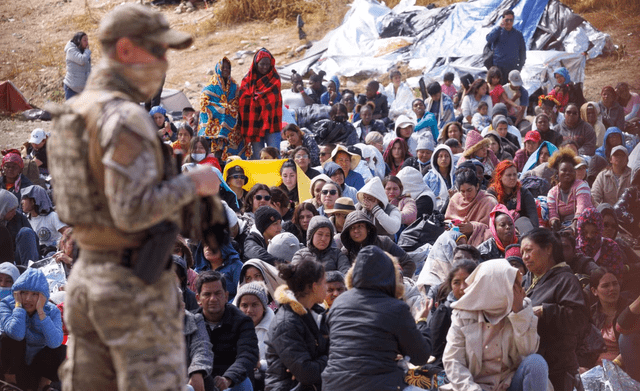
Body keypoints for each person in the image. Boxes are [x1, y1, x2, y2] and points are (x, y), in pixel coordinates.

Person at [47, 6, 229, 389]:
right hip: (132, 287)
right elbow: (131, 210)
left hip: (88, 277)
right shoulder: (125, 118)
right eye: (158, 51)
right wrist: (193, 183)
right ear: (126, 50)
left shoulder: (73, 112)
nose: (164, 62)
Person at [322, 245, 433, 391]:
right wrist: (421, 322)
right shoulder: (396, 308)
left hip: (333, 385)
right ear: (391, 275)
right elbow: (420, 357)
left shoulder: (339, 304)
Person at [442, 259, 548, 391]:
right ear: (492, 288)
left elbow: (529, 351)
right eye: (510, 284)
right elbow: (453, 361)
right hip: (476, 386)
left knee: (536, 363)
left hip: (509, 383)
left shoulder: (522, 307)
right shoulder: (463, 315)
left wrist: (519, 314)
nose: (516, 289)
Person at [521, 228, 588, 391]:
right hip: (528, 363)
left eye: (529, 250)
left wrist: (545, 310)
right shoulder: (524, 281)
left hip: (557, 369)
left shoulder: (566, 280)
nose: (524, 257)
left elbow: (579, 319)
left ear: (548, 249)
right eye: (522, 252)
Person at [265, 258, 329, 391]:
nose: (327, 288)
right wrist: (332, 360)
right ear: (313, 287)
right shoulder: (286, 323)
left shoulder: (318, 313)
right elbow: (307, 373)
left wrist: (319, 361)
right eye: (324, 283)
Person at [0, 268, 65, 390]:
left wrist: (41, 313)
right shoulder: (6, 304)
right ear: (17, 293)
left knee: (59, 347)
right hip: (14, 364)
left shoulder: (51, 310)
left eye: (34, 294)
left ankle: (44, 387)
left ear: (43, 296)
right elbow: (16, 334)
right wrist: (18, 307)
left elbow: (55, 342)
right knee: (7, 338)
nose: (28, 299)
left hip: (37, 363)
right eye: (24, 293)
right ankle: (10, 385)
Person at [194, 271, 259, 391]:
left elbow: (247, 355)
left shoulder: (242, 321)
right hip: (202, 384)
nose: (213, 299)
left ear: (226, 296)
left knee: (244, 383)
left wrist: (228, 379)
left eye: (218, 293)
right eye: (207, 294)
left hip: (234, 384)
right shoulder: (191, 323)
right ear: (198, 298)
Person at [426, 260, 476, 370]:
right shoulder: (445, 312)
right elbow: (436, 355)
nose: (462, 287)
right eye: (456, 283)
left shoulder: (485, 309)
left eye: (467, 281)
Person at [238, 48, 282, 159]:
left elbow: (274, 103)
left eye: (268, 64)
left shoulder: (275, 79)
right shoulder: (247, 81)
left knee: (275, 156)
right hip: (254, 126)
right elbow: (243, 102)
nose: (265, 67)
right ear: (256, 64)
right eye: (262, 64)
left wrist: (257, 100)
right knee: (258, 157)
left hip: (272, 124)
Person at [340, 210, 415, 276]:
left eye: (360, 226)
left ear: (368, 228)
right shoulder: (346, 251)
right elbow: (345, 275)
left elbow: (409, 263)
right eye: (352, 228)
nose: (356, 231)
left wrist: (398, 284)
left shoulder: (384, 242)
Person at [199, 57, 242, 160]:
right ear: (218, 69)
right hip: (212, 130)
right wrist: (224, 108)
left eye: (228, 67)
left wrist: (229, 109)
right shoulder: (210, 87)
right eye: (223, 67)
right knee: (214, 159)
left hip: (231, 131)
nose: (226, 70)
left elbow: (237, 104)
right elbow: (204, 103)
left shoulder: (234, 86)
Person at [234, 281, 275, 390]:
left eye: (255, 305)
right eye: (244, 305)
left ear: (264, 307)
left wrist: (259, 365)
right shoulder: (232, 328)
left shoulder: (276, 328)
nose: (249, 310)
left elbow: (280, 362)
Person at [445, 168, 498, 246]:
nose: (466, 194)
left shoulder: (489, 202)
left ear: (477, 186)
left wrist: (473, 227)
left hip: (480, 243)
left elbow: (493, 228)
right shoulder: (455, 199)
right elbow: (447, 220)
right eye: (462, 191)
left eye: (469, 190)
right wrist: (454, 225)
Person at [546, 146, 593, 231]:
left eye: (571, 170)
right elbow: (552, 213)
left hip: (585, 225)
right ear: (557, 173)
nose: (567, 173)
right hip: (564, 227)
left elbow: (582, 207)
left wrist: (574, 225)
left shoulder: (582, 186)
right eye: (564, 170)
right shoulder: (552, 193)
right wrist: (555, 222)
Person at [575, 207, 626, 280]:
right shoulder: (575, 247)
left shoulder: (611, 246)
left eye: (593, 232)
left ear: (599, 230)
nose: (589, 236)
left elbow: (618, 274)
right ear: (580, 231)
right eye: (585, 232)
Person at [488, 160, 539, 231]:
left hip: (521, 229)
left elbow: (533, 215)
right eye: (509, 175)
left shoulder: (523, 192)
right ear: (500, 177)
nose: (512, 178)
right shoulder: (492, 193)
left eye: (514, 174)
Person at [20, 185, 69, 249]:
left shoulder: (52, 216)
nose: (22, 202)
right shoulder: (27, 220)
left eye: (25, 198)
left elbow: (68, 234)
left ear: (33, 201)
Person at [486, 10, 526, 84]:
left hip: (512, 68)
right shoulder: (498, 31)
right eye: (507, 20)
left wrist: (520, 66)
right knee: (498, 91)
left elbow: (522, 52)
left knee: (510, 90)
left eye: (511, 20)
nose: (509, 22)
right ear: (503, 19)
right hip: (498, 68)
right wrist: (499, 27)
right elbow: (489, 39)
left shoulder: (518, 34)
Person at [63, 32, 91, 100]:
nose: (87, 42)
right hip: (72, 89)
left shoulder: (83, 51)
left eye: (87, 40)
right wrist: (87, 51)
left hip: (82, 90)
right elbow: (82, 60)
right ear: (78, 40)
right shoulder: (71, 50)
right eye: (84, 40)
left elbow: (87, 69)